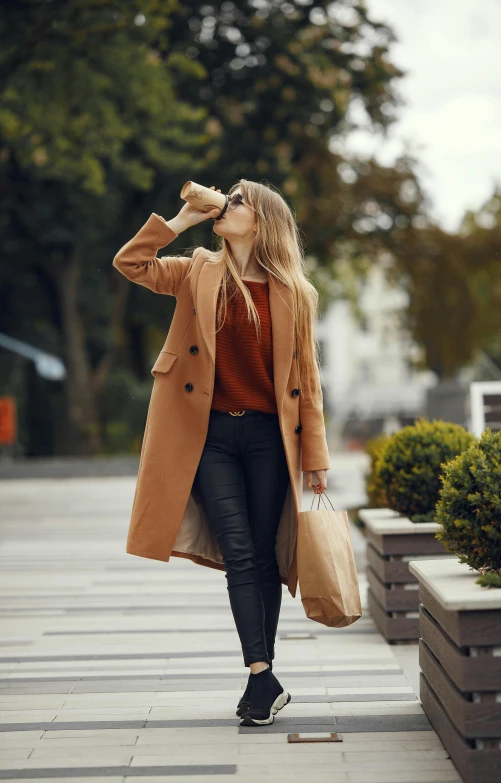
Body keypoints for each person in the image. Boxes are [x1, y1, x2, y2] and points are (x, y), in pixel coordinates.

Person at [119, 180, 329, 726]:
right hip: (208, 437)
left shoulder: (293, 292)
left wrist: (317, 460)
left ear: (260, 222)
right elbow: (132, 263)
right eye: (227, 196)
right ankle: (262, 673)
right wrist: (182, 220)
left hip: (267, 440)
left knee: (264, 558)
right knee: (240, 552)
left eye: (237, 200)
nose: (226, 203)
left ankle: (262, 685)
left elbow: (306, 379)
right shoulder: (197, 270)